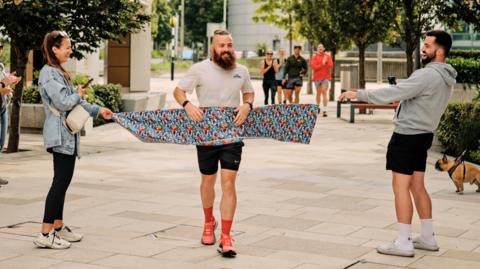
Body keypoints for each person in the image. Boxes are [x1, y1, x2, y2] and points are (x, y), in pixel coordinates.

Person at [339, 30, 457, 257]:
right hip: (424, 135)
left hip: (407, 136)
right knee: (417, 186)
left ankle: (403, 242)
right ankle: (427, 237)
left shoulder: (427, 75)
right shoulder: (446, 77)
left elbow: (396, 92)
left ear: (439, 51)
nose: (423, 48)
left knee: (400, 187)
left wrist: (358, 93)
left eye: (428, 45)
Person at [173, 29, 254, 257]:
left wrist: (247, 105)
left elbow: (249, 94)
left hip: (232, 134)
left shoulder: (242, 70)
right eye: (222, 46)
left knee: (229, 183)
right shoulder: (199, 69)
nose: (226, 49)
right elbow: (178, 91)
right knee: (208, 181)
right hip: (206, 134)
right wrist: (188, 105)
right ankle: (209, 222)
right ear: (213, 47)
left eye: (229, 45)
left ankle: (226, 236)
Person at [33, 31, 113, 249]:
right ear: (54, 49)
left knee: (62, 181)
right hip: (60, 135)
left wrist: (99, 111)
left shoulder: (58, 72)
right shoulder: (49, 73)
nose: (70, 50)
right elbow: (63, 102)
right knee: (60, 182)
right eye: (66, 47)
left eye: (70, 46)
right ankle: (45, 233)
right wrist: (78, 93)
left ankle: (57, 227)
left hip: (67, 134)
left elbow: (76, 103)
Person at [0, 42, 22, 186]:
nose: (0, 50)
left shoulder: (1, 66)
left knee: (0, 143)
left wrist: (9, 81)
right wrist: (3, 86)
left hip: (2, 107)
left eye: (1, 48)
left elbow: (3, 83)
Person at [311, 43, 333, 116]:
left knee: (324, 91)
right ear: (317, 49)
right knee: (318, 93)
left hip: (325, 77)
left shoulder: (327, 56)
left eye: (321, 48)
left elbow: (331, 65)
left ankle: (325, 110)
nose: (320, 49)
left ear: (324, 49)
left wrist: (326, 62)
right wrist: (322, 64)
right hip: (317, 77)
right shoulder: (314, 57)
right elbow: (314, 67)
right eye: (319, 48)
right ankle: (317, 107)